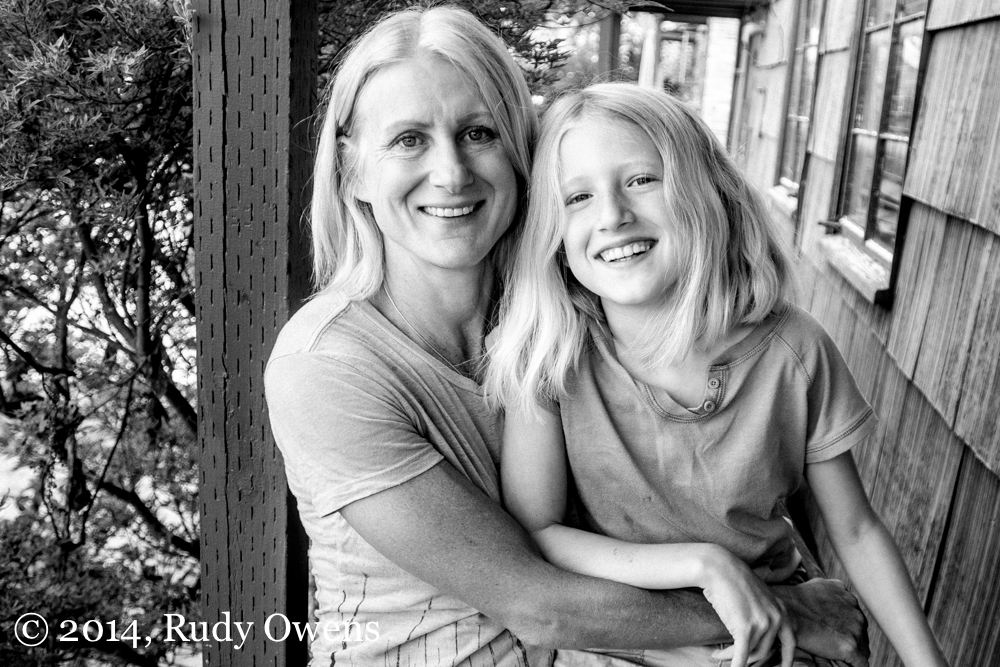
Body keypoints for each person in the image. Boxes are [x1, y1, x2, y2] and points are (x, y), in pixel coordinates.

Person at [264, 7, 869, 667]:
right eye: (409, 139)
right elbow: (536, 605)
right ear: (351, 169)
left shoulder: (572, 310)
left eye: (478, 132)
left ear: (522, 156)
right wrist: (785, 612)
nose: (452, 173)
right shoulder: (325, 368)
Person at [487, 83, 948, 667]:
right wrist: (705, 564)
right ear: (551, 232)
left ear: (707, 192)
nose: (612, 216)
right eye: (577, 197)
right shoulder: (549, 358)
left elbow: (856, 531)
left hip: (774, 635)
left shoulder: (792, 352)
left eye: (641, 180)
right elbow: (539, 531)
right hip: (619, 641)